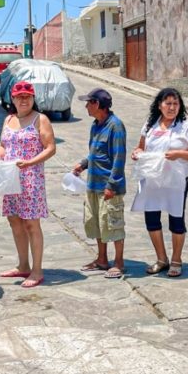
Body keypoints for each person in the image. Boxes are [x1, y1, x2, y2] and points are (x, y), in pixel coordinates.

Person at [131, 88, 188, 278]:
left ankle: (176, 259)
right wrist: (137, 153)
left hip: (176, 182)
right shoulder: (150, 125)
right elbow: (140, 146)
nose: (172, 107)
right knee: (152, 219)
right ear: (159, 105)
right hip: (152, 179)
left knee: (176, 219)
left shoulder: (185, 126)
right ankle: (161, 258)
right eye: (168, 103)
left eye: (175, 103)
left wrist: (179, 154)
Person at [0, 81, 56, 288]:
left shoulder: (41, 119)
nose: (23, 99)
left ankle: (37, 270)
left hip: (31, 180)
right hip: (10, 178)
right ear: (12, 98)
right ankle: (23, 265)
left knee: (31, 224)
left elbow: (50, 148)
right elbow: (3, 145)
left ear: (32, 98)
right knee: (15, 222)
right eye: (19, 96)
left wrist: (30, 162)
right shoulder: (9, 119)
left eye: (27, 96)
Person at [73, 88, 128, 279]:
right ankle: (102, 258)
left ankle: (119, 262)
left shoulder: (116, 126)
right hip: (93, 184)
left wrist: (112, 185)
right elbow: (95, 153)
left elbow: (119, 158)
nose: (86, 106)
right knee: (96, 222)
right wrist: (83, 164)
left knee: (113, 223)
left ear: (97, 104)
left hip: (108, 187)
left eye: (88, 102)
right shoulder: (95, 125)